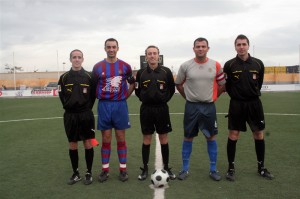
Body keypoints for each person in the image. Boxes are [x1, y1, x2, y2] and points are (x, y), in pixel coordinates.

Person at [223, 34, 274, 181]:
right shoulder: (230, 65)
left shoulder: (258, 64)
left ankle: (261, 167)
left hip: (254, 104)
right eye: (238, 44)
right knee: (233, 134)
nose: (241, 47)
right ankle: (231, 168)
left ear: (248, 45)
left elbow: (259, 82)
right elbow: (228, 85)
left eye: (243, 44)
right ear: (235, 47)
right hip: (236, 104)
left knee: (258, 134)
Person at [175, 37, 226, 181]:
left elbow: (222, 84)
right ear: (193, 48)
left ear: (208, 48)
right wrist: (188, 97)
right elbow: (178, 84)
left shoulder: (216, 65)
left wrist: (214, 97)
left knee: (211, 136)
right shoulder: (185, 66)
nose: (201, 49)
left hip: (209, 107)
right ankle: (184, 169)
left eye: (203, 46)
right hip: (191, 106)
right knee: (188, 136)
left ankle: (213, 169)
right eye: (198, 46)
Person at [92, 38, 135, 182]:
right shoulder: (97, 67)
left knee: (121, 138)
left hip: (120, 106)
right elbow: (93, 86)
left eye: (113, 47)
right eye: (108, 47)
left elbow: (132, 84)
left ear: (118, 48)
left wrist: (124, 97)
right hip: (104, 105)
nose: (111, 49)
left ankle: (123, 169)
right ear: (105, 48)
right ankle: (105, 170)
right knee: (106, 139)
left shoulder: (125, 66)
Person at [135, 45, 176, 181]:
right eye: (149, 53)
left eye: (154, 53)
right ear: (146, 56)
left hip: (162, 109)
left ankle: (167, 167)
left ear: (159, 55)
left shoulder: (166, 71)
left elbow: (170, 89)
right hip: (146, 109)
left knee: (163, 138)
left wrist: (163, 100)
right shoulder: (140, 73)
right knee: (147, 138)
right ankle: (145, 168)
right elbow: (137, 91)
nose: (152, 56)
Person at [58, 49, 97, 185]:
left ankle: (88, 172)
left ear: (82, 59)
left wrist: (86, 108)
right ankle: (76, 173)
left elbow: (93, 96)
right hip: (70, 116)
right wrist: (69, 107)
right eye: (74, 57)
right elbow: (61, 96)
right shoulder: (63, 77)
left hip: (86, 114)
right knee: (73, 143)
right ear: (70, 59)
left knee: (88, 142)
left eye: (79, 57)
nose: (76, 59)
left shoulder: (90, 76)